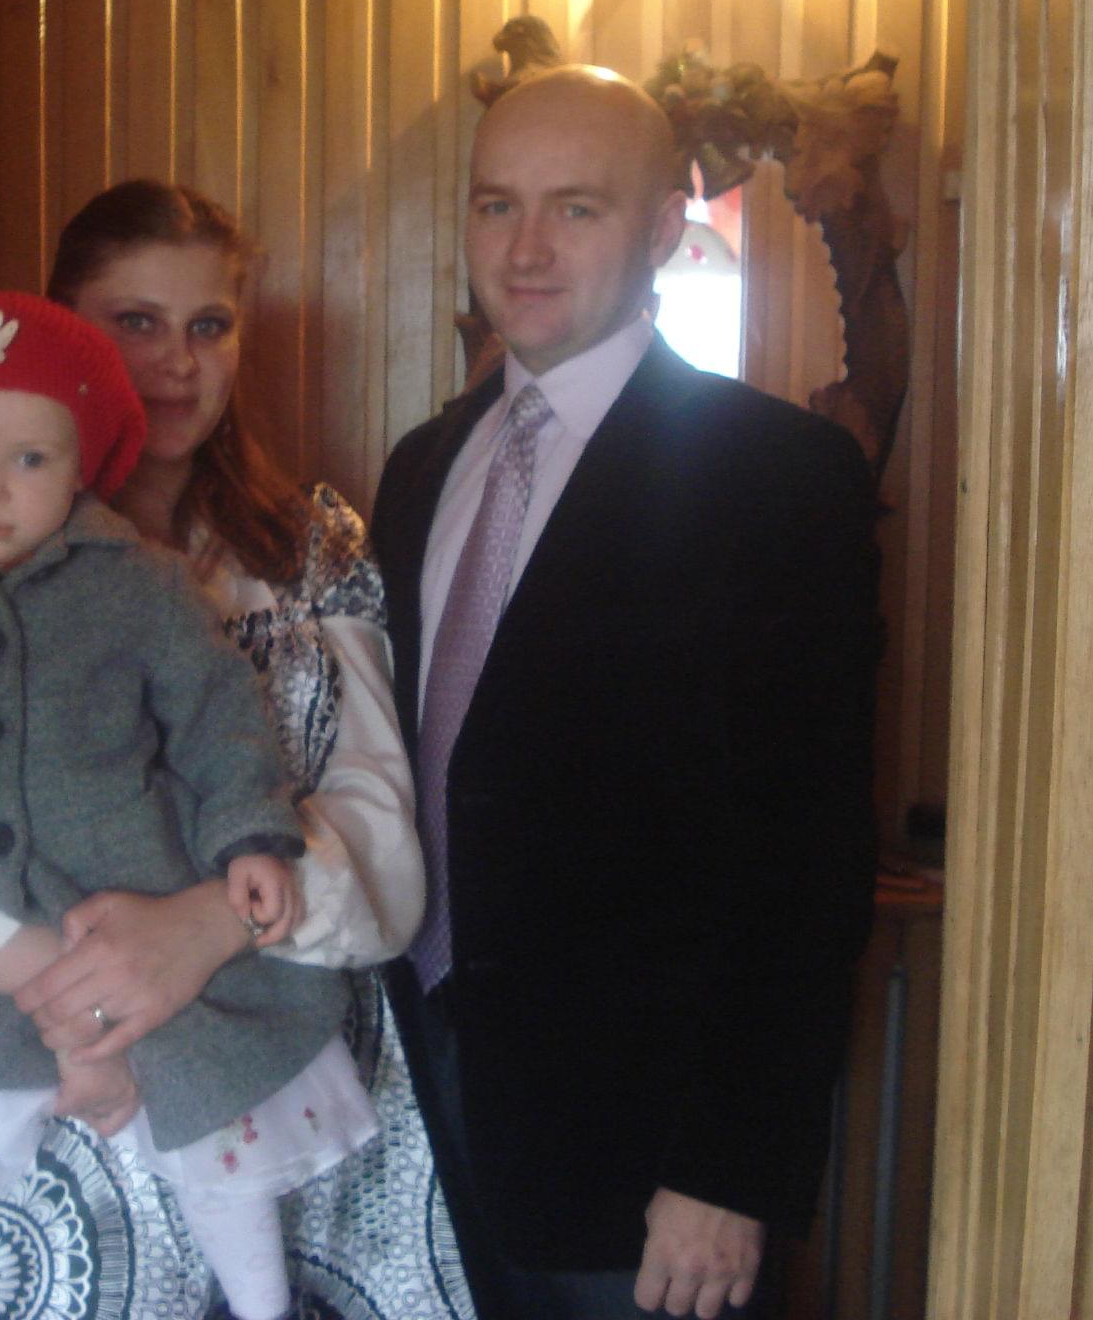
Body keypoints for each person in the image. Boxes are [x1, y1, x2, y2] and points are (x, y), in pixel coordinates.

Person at [0, 182, 471, 1320]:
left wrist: (211, 924)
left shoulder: (308, 545)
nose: (177, 362)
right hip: (30, 1089)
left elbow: (384, 836)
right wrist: (56, 975)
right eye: (136, 322)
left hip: (276, 1076)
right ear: (63, 339)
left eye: (208, 325)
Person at [0, 290, 381, 1320]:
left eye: (30, 460)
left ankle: (262, 1306)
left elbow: (217, 716)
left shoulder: (140, 585)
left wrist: (249, 835)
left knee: (213, 1128)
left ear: (83, 460)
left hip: (126, 898)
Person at [368, 66, 882, 1320]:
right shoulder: (422, 467)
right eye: (497, 205)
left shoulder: (780, 478)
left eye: (577, 209)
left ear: (661, 229)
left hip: (644, 1168)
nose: (526, 249)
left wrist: (730, 1170)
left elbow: (806, 858)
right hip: (416, 1110)